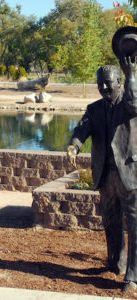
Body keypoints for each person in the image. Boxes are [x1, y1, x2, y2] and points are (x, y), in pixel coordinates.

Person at [67, 49, 137, 290]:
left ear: (118, 82)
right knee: (111, 221)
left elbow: (135, 103)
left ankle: (132, 276)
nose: (104, 89)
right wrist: (74, 146)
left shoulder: (129, 104)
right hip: (105, 175)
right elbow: (81, 129)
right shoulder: (94, 108)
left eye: (108, 84)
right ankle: (117, 263)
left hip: (129, 175)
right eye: (100, 85)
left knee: (134, 225)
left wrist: (132, 75)